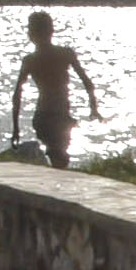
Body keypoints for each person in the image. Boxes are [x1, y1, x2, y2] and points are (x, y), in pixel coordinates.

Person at [9, 11, 100, 167]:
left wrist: (16, 129)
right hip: (56, 115)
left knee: (58, 154)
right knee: (59, 155)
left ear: (31, 35)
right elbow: (87, 83)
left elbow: (17, 95)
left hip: (46, 117)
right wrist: (93, 107)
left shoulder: (31, 60)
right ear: (51, 31)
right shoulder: (64, 54)